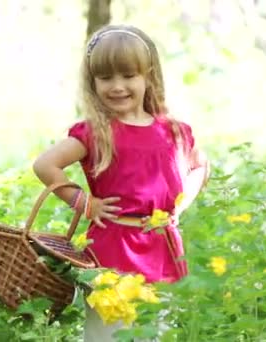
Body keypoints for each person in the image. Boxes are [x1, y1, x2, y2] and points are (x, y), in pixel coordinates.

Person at [32, 24, 209, 341]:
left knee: (156, 331)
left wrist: (181, 204)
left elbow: (200, 165)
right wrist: (84, 203)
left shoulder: (174, 131)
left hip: (162, 247)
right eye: (106, 78)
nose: (117, 86)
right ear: (93, 81)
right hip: (112, 250)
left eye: (128, 76)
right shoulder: (94, 132)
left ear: (148, 75)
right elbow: (45, 164)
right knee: (108, 333)